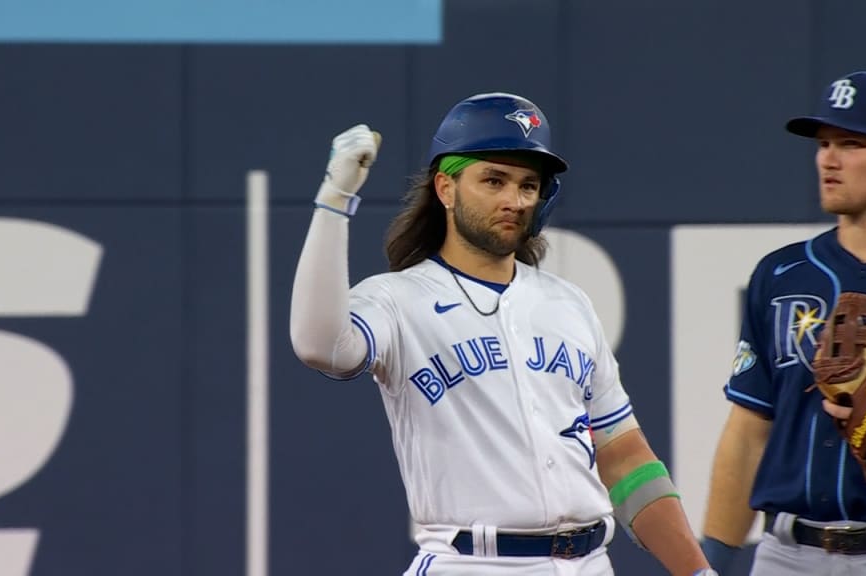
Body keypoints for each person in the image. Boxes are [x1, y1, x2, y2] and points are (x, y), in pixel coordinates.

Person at [290, 92, 715, 575]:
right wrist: (334, 199)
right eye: (493, 180)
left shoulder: (568, 303)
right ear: (445, 188)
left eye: (528, 185)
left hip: (590, 563)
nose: (514, 200)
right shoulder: (397, 299)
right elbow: (319, 345)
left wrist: (697, 571)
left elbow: (623, 455)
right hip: (472, 562)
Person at [701, 70, 866, 575]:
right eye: (823, 143)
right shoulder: (781, 273)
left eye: (852, 142)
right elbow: (749, 432)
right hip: (785, 553)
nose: (829, 159)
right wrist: (708, 564)